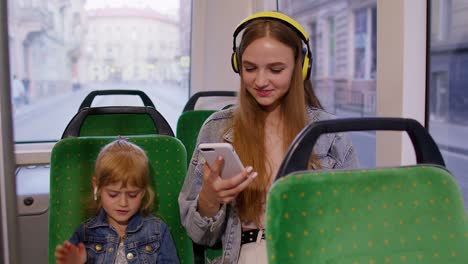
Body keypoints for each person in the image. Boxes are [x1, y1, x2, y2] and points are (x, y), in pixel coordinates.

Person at [178, 11, 359, 264]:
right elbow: (199, 235)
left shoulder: (330, 135)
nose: (260, 81)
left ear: (301, 68)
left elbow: (351, 225)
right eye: (250, 68)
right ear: (237, 65)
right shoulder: (217, 129)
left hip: (311, 254)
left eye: (275, 69)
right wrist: (210, 198)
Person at [54, 138, 180, 264]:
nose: (123, 203)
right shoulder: (85, 234)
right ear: (97, 187)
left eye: (132, 194)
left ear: (142, 192)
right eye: (113, 194)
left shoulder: (157, 231)